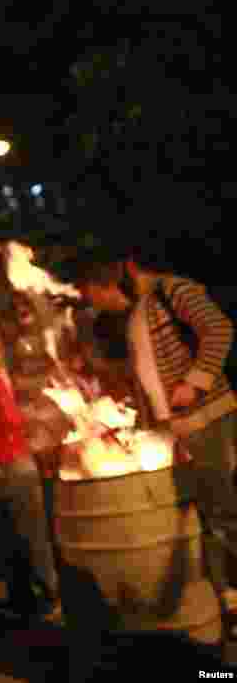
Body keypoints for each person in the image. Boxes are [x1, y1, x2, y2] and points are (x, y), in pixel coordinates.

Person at [79, 247, 237, 592]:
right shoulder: (142, 309)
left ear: (128, 269)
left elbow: (219, 329)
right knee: (207, 517)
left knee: (225, 514)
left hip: (204, 420)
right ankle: (225, 599)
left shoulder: (173, 290)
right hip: (178, 430)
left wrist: (195, 384)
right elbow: (151, 374)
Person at [0, 319, 61, 620]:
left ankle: (22, 601)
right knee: (34, 533)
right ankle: (51, 597)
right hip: (12, 457)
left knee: (9, 532)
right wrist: (31, 429)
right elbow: (7, 416)